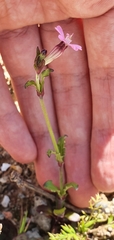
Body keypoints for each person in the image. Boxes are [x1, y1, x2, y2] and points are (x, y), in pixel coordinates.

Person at [0, 0, 114, 208]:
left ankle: (62, 199)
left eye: (66, 42)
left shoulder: (59, 46)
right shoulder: (49, 56)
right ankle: (59, 197)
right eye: (65, 41)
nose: (66, 41)